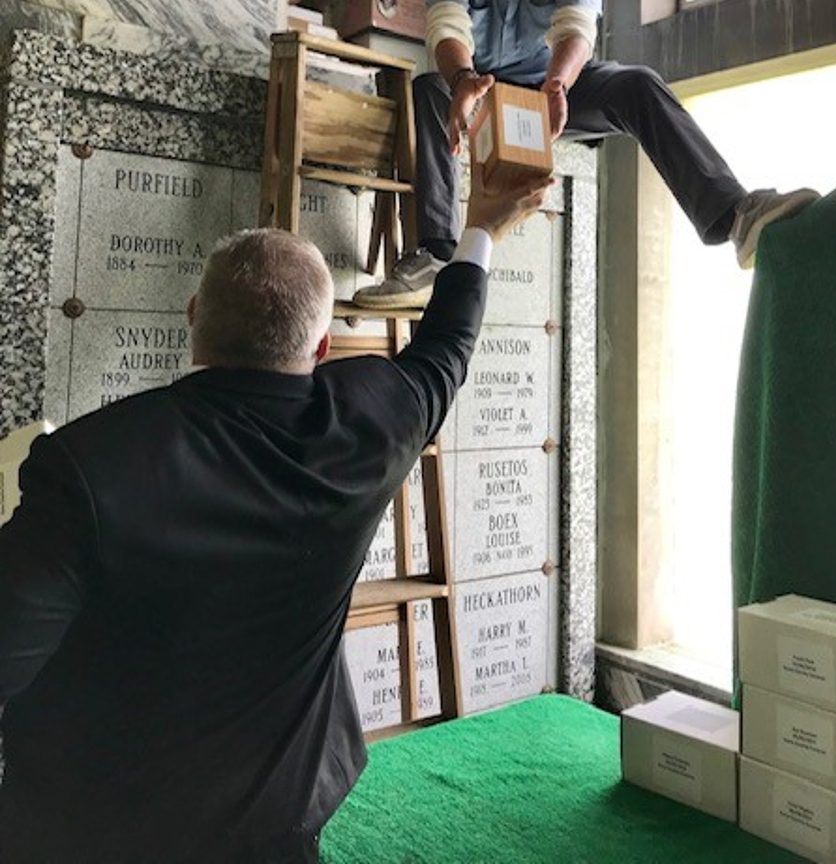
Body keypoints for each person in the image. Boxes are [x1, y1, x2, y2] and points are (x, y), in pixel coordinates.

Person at [0, 164, 550, 864]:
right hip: (278, 826)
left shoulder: (87, 466)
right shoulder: (372, 423)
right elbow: (447, 346)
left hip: (89, 830)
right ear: (320, 349)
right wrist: (483, 226)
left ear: (194, 314)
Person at [352, 0, 818, 309]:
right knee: (428, 90)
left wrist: (557, 84)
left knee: (636, 84)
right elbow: (447, 28)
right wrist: (464, 80)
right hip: (483, 87)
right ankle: (434, 258)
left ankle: (737, 215)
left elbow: (576, 27)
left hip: (555, 83)